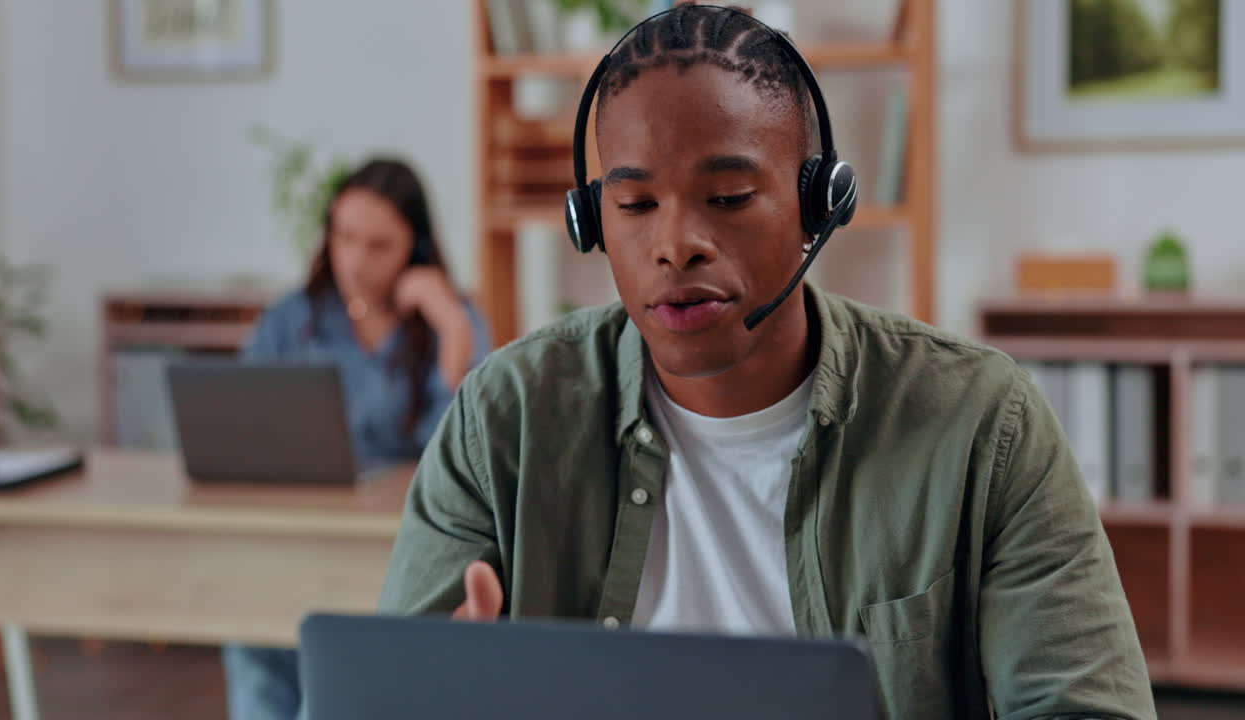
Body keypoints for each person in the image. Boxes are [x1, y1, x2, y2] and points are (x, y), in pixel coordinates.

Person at [380, 5, 1156, 719]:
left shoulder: (984, 425)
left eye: (727, 198)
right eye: (635, 205)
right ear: (591, 222)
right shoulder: (502, 419)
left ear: (820, 207)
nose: (675, 243)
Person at [225, 158, 491, 720]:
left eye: (378, 245)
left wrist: (453, 331)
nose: (356, 260)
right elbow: (239, 424)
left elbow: (468, 449)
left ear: (413, 248)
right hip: (291, 530)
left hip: (392, 543)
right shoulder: (290, 320)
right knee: (250, 634)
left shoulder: (449, 320)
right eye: (344, 237)